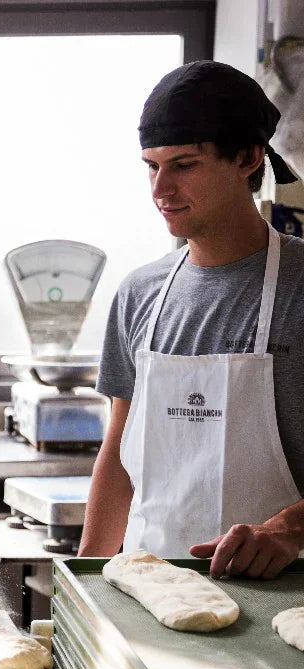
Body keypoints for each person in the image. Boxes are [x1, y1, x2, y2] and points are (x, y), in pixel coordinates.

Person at [78, 60, 304, 580]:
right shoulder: (140, 294)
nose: (161, 190)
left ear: (248, 158)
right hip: (148, 591)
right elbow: (117, 460)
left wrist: (290, 529)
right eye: (151, 167)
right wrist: (84, 587)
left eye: (184, 165)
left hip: (287, 605)